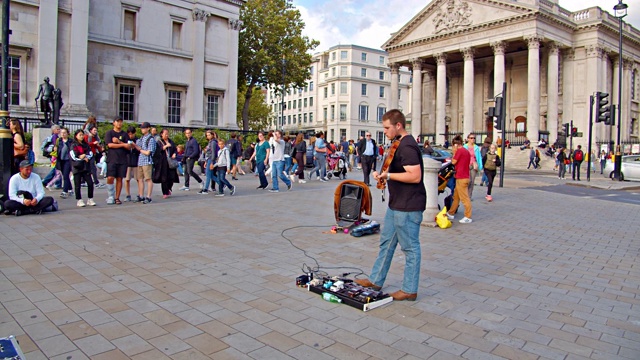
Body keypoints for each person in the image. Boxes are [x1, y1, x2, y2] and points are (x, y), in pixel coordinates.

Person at [354, 109, 426, 301]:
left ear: (398, 126)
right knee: (386, 244)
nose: (384, 131)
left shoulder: (408, 146)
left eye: (387, 128)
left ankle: (410, 289)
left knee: (410, 248)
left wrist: (388, 175)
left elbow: (415, 176)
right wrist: (384, 175)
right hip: (396, 204)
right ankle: (376, 280)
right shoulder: (398, 144)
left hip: (409, 206)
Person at [105, 117, 131, 205]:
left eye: (121, 122)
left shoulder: (125, 134)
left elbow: (128, 146)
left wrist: (119, 142)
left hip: (122, 160)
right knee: (110, 177)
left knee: (119, 178)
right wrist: (122, 145)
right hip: (112, 159)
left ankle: (117, 197)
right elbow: (110, 145)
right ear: (114, 123)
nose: (119, 123)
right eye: (118, 122)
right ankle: (110, 195)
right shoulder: (109, 133)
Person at [446, 135, 472, 223]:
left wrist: (454, 152)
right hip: (463, 176)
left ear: (456, 145)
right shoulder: (466, 151)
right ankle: (451, 213)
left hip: (461, 177)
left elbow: (453, 161)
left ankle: (468, 216)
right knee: (456, 197)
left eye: (453, 145)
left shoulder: (459, 151)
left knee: (464, 198)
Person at [69, 129, 96, 207]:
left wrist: (85, 156)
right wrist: (81, 158)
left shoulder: (86, 144)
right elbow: (73, 156)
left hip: (85, 167)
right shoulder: (73, 145)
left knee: (90, 183)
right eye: (80, 135)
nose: (81, 136)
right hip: (77, 167)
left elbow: (90, 153)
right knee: (77, 184)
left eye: (82, 135)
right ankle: (79, 200)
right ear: (76, 136)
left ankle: (90, 199)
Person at [133, 122, 156, 203]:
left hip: (147, 161)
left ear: (148, 128)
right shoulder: (142, 138)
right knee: (140, 179)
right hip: (141, 161)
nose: (142, 129)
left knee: (148, 179)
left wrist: (140, 149)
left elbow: (148, 152)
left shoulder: (151, 139)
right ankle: (141, 195)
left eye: (144, 128)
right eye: (142, 128)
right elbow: (137, 146)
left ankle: (148, 196)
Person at [153, 129, 180, 199]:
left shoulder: (171, 141)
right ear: (161, 134)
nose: (167, 135)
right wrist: (165, 146)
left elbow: (175, 149)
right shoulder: (159, 142)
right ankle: (165, 192)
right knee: (164, 178)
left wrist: (175, 154)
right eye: (165, 134)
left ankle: (169, 188)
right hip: (162, 162)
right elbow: (157, 151)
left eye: (167, 134)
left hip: (170, 162)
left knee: (171, 177)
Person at [84, 124, 104, 189]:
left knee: (89, 169)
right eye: (94, 130)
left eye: (96, 130)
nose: (95, 132)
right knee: (92, 169)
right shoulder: (87, 137)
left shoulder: (95, 137)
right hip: (88, 154)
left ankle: (84, 181)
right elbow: (86, 144)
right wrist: (93, 143)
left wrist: (100, 148)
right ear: (90, 130)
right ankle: (96, 182)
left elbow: (96, 146)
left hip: (93, 154)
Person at [199, 130, 218, 194]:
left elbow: (213, 153)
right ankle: (222, 184)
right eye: (207, 135)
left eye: (209, 135)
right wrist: (206, 162)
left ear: (212, 135)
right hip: (208, 159)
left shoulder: (213, 142)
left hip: (211, 159)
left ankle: (205, 189)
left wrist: (212, 162)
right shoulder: (210, 142)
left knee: (208, 174)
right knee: (211, 175)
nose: (208, 136)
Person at [56, 128, 73, 199]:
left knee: (65, 175)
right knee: (64, 175)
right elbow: (57, 149)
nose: (63, 134)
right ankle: (70, 189)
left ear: (67, 133)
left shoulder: (70, 141)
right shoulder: (59, 141)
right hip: (61, 160)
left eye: (64, 133)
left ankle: (64, 191)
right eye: (61, 133)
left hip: (68, 160)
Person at [463, 133, 482, 199]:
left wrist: (480, 166)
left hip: (473, 165)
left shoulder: (476, 147)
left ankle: (469, 196)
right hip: (466, 165)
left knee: (472, 181)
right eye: (471, 138)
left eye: (474, 138)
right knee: (468, 181)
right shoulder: (465, 147)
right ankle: (465, 194)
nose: (472, 139)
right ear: (468, 139)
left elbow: (479, 157)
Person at [123, 126, 139, 202]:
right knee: (127, 179)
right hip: (127, 161)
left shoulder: (138, 140)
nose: (130, 136)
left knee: (139, 179)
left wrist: (134, 146)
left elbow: (140, 150)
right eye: (129, 134)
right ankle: (127, 194)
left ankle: (139, 194)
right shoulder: (126, 140)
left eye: (132, 134)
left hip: (136, 162)